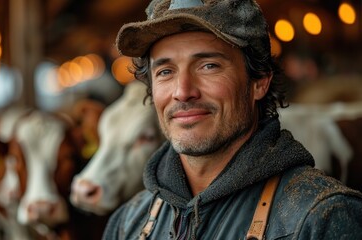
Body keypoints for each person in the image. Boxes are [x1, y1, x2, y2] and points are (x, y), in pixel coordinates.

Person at [103, 0, 362, 239]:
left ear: (259, 82)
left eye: (209, 66)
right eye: (165, 71)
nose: (182, 91)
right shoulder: (128, 223)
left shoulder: (321, 217)